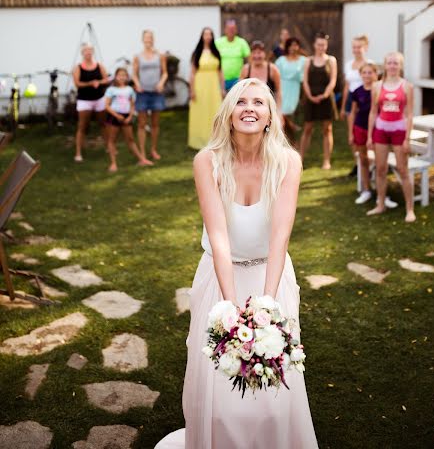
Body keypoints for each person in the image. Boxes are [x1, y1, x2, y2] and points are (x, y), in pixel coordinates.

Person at [155, 78, 318, 449]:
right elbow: (219, 237)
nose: (249, 108)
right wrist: (229, 308)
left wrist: (268, 304)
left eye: (259, 102)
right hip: (219, 277)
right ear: (229, 114)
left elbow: (280, 238)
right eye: (240, 101)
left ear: (269, 117)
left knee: (275, 383)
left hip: (272, 277)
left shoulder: (289, 162)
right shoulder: (207, 162)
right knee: (217, 381)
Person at [367, 51, 416, 223]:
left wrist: (407, 139)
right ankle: (381, 204)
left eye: (396, 63)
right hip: (380, 130)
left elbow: (409, 114)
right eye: (390, 63)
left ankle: (410, 209)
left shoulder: (407, 86)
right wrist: (369, 137)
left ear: (400, 66)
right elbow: (373, 112)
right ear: (385, 65)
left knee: (403, 170)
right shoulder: (377, 86)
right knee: (380, 169)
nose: (393, 66)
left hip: (399, 131)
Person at [299, 32, 337, 169]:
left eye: (324, 45)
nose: (321, 47)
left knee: (327, 129)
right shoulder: (308, 60)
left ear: (326, 46)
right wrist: (310, 96)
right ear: (314, 45)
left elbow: (333, 80)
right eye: (319, 44)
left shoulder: (331, 60)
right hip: (311, 98)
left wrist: (325, 94)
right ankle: (300, 159)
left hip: (326, 98)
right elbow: (305, 81)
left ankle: (326, 161)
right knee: (307, 128)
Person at [104, 68, 152, 172]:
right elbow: (107, 106)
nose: (122, 77)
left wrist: (130, 116)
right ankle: (113, 163)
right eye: (119, 75)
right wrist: (117, 116)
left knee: (130, 140)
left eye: (124, 75)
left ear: (127, 77)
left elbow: (132, 105)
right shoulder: (111, 90)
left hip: (126, 117)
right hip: (114, 117)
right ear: (115, 77)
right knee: (112, 140)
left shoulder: (129, 90)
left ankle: (142, 159)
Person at [132, 30, 168, 161]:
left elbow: (165, 73)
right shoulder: (137, 56)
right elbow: (134, 74)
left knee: (155, 124)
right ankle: (142, 151)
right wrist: (137, 84)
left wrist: (161, 83)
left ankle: (153, 149)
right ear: (142, 40)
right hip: (142, 93)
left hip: (156, 93)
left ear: (153, 39)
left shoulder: (160, 55)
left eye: (150, 37)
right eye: (146, 37)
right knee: (141, 124)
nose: (148, 39)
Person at [188, 27, 225, 149]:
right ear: (202, 36)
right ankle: (199, 140)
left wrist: (222, 88)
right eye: (206, 34)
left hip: (214, 87)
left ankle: (215, 140)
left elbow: (220, 72)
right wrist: (192, 90)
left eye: (210, 34)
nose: (208, 37)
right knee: (201, 112)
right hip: (200, 86)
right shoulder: (196, 53)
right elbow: (192, 73)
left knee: (215, 111)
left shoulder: (216, 52)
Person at [73, 43, 109, 162]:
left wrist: (99, 82)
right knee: (82, 126)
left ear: (92, 51)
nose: (88, 52)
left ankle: (109, 147)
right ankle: (78, 152)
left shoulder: (99, 66)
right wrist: (89, 83)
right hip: (84, 101)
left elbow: (106, 79)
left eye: (90, 50)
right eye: (85, 50)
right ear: (82, 52)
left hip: (99, 99)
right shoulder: (78, 68)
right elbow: (77, 83)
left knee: (103, 124)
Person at [348, 62, 378, 204]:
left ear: (375, 74)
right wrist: (351, 133)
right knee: (363, 159)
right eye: (364, 72)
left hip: (377, 129)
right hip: (360, 128)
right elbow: (353, 113)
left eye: (369, 72)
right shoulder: (357, 91)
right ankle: (366, 190)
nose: (367, 75)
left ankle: (381, 192)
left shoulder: (379, 90)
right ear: (360, 75)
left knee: (380, 161)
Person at [341, 35, 370, 177]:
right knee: (351, 135)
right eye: (354, 47)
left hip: (364, 102)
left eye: (359, 47)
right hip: (350, 101)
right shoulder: (348, 64)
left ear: (366, 48)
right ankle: (357, 164)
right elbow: (347, 86)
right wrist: (342, 107)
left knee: (364, 134)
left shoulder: (369, 64)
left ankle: (367, 164)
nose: (356, 50)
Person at [275, 36, 307, 143]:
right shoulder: (281, 60)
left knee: (289, 110)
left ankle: (291, 136)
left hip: (295, 87)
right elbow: (275, 75)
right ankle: (289, 130)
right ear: (287, 47)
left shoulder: (303, 60)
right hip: (283, 87)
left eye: (296, 45)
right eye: (291, 45)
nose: (293, 48)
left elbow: (307, 72)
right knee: (281, 111)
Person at [239, 40, 282, 111]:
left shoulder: (272, 69)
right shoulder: (246, 69)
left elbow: (278, 92)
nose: (256, 56)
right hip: (250, 109)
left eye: (259, 53)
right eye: (254, 53)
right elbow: (240, 92)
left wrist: (279, 112)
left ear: (264, 53)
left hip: (269, 109)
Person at [215, 19, 251, 92]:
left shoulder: (242, 42)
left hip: (238, 79)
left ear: (236, 30)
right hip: (221, 79)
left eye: (233, 29)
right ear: (225, 30)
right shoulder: (218, 42)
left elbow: (250, 59)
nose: (231, 31)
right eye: (229, 29)